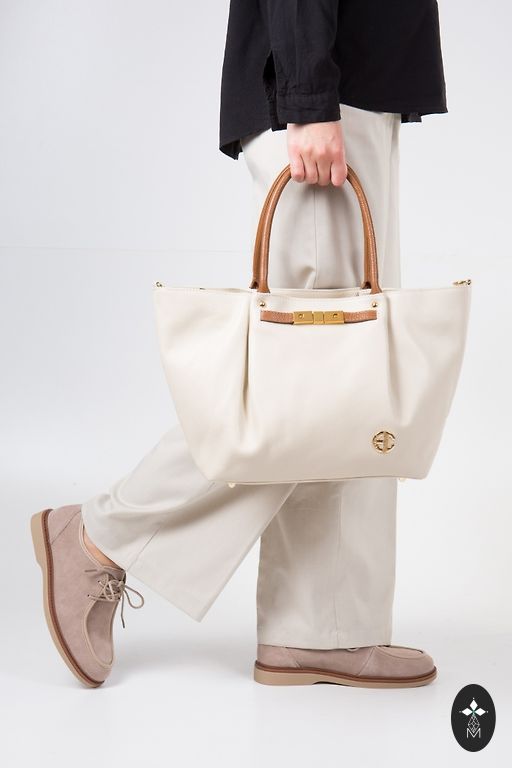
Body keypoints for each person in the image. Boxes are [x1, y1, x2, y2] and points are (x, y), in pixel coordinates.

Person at [31, 0, 447, 688]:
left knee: (345, 388)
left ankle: (320, 631)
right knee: (306, 386)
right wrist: (308, 96)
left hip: (353, 86)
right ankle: (98, 535)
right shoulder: (318, 99)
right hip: (325, 95)